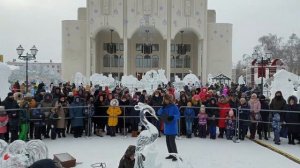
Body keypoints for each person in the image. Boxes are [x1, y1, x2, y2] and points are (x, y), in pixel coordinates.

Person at [157, 94, 180, 161]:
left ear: (169, 99)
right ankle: (171, 154)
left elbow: (178, 115)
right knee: (168, 142)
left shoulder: (174, 106)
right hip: (167, 126)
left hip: (172, 127)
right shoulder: (164, 107)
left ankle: (175, 155)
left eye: (166, 99)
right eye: (165, 99)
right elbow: (158, 113)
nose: (165, 101)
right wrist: (162, 108)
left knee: (172, 141)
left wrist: (173, 117)